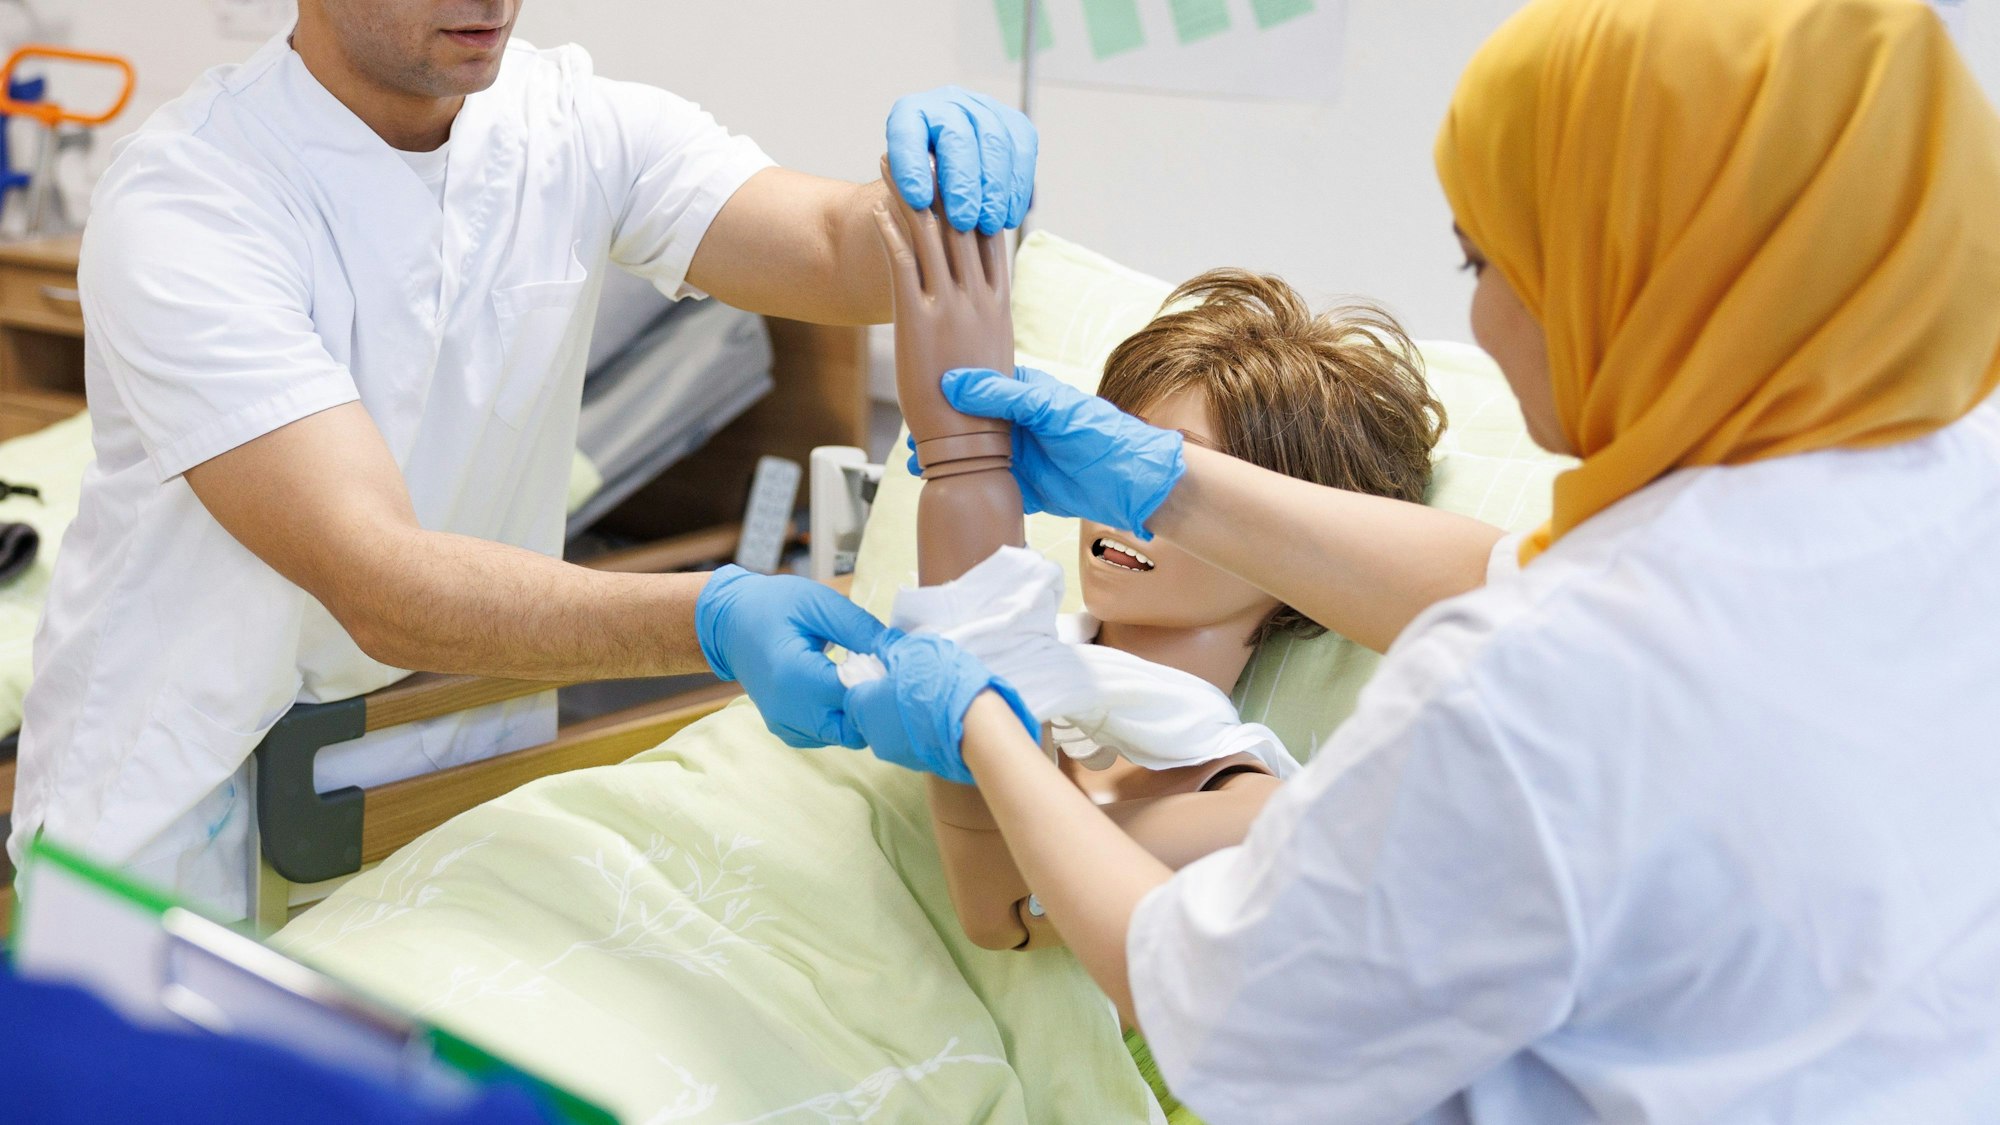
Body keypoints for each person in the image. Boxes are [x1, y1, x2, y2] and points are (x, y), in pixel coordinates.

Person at [843, 0, 2000, 1119]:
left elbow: (1197, 1004)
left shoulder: (1526, 696)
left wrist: (981, 714)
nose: (1487, 331)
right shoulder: (1944, 479)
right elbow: (1537, 575)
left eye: (1482, 265)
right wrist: (1168, 486)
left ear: (1651, 268)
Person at [6, 0, 1037, 919]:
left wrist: (929, 200)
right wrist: (714, 620)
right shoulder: (193, 197)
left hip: (440, 774)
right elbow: (379, 580)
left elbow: (832, 245)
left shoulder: (569, 125)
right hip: (182, 809)